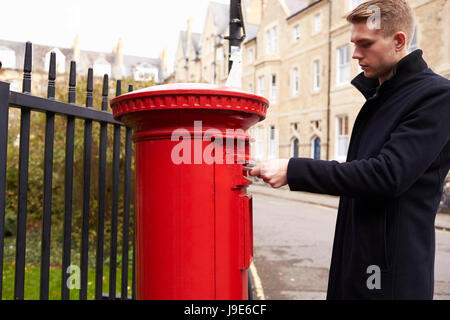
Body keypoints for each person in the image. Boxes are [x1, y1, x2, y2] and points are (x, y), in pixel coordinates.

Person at [249, 0, 450, 299]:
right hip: (354, 265)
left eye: (365, 44)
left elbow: (386, 174)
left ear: (399, 41)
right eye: (354, 43)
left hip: (390, 278)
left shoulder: (437, 96)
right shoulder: (379, 98)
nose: (355, 54)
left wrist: (294, 169)